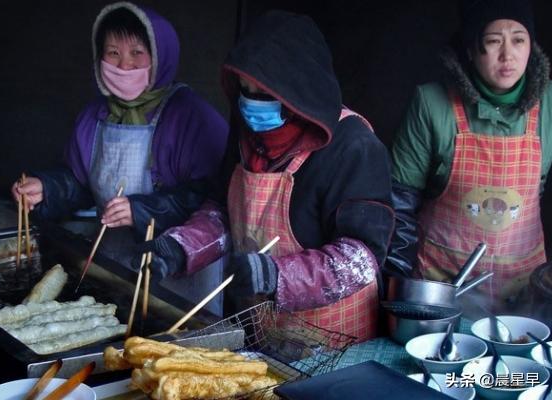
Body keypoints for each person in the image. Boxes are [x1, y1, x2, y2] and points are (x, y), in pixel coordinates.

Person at [137, 10, 394, 341]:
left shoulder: (353, 146)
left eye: (264, 94)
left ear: (299, 92)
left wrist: (277, 275)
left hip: (333, 341)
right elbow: (223, 212)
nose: (250, 104)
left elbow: (361, 257)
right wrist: (181, 248)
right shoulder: (247, 133)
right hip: (262, 330)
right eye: (245, 90)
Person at [11, 3, 228, 259]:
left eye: (137, 52)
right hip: (115, 255)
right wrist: (48, 189)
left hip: (179, 266)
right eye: (113, 53)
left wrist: (143, 211)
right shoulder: (94, 114)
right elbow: (83, 184)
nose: (124, 65)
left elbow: (213, 198)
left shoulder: (192, 117)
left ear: (160, 56)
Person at [387, 0, 551, 311]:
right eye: (492, 41)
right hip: (441, 290)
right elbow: (399, 204)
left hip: (525, 296)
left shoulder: (550, 104)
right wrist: (400, 293)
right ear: (471, 50)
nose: (508, 55)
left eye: (518, 40)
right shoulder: (432, 104)